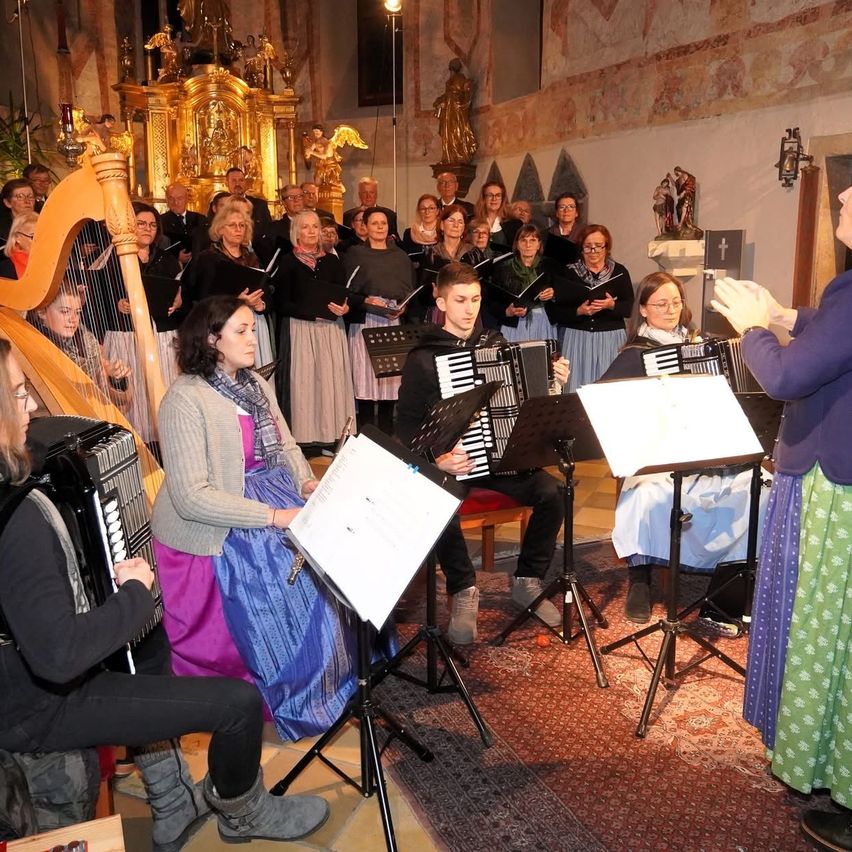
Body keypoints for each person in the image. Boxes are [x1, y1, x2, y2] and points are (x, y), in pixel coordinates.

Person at [0, 338, 329, 847]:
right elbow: (59, 657)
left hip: (20, 680)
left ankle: (173, 804)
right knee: (238, 703)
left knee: (151, 648)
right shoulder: (19, 519)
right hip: (34, 706)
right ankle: (244, 813)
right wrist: (133, 594)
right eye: (19, 394)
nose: (31, 406)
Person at [151, 295, 362, 742]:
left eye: (252, 329)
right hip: (218, 517)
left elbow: (285, 446)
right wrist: (275, 517)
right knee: (293, 578)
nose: (252, 339)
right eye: (241, 331)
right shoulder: (183, 400)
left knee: (335, 553)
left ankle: (338, 679)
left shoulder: (254, 384)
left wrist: (306, 483)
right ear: (212, 339)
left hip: (271, 492)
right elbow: (192, 498)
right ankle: (298, 691)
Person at [710, 186, 852, 852]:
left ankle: (836, 774)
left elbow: (790, 378)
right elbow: (834, 335)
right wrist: (785, 313)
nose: (842, 195)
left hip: (836, 481)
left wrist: (753, 330)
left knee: (827, 624)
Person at [396, 261, 570, 645]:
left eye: (475, 299)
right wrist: (438, 458)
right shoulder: (423, 358)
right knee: (438, 502)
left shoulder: (496, 343)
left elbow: (528, 402)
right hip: (453, 462)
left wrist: (554, 382)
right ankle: (463, 588)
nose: (469, 309)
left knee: (553, 492)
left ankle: (527, 579)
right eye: (460, 300)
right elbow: (405, 426)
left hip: (501, 458)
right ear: (441, 302)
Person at [602, 272, 768, 624]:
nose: (670, 309)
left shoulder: (701, 344)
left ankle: (733, 578)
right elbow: (604, 408)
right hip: (659, 454)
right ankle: (640, 578)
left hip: (709, 451)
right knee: (644, 493)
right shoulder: (635, 355)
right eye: (661, 303)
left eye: (676, 302)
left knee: (759, 489)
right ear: (643, 309)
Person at [273, 210, 356, 447]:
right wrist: (309, 311)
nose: (311, 231)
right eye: (305, 227)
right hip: (301, 329)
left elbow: (344, 295)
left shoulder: (332, 261)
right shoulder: (288, 262)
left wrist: (345, 308)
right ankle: (306, 439)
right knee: (305, 384)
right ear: (296, 232)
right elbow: (281, 303)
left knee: (331, 382)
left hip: (330, 329)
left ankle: (333, 436)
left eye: (315, 226)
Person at [343, 207, 414, 434]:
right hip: (365, 321)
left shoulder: (400, 256)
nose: (380, 227)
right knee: (364, 380)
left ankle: (386, 435)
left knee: (389, 381)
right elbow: (348, 291)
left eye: (383, 223)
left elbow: (408, 290)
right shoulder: (355, 253)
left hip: (392, 321)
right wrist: (367, 300)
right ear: (365, 226)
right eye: (374, 223)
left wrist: (402, 308)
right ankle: (365, 434)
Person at [545, 224, 634, 392]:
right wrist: (578, 311)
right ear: (581, 248)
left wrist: (612, 305)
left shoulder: (619, 272)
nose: (593, 251)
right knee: (577, 386)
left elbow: (630, 307)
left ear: (607, 247)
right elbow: (555, 312)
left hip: (610, 338)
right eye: (588, 247)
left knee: (609, 388)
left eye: (598, 246)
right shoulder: (568, 273)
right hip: (577, 337)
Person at [185, 200, 272, 366]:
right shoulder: (208, 258)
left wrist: (261, 304)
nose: (238, 229)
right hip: (222, 325)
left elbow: (266, 292)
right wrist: (237, 302)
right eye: (232, 225)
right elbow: (202, 297)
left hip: (254, 323)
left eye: (242, 225)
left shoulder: (252, 257)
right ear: (220, 229)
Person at [27, 282, 133, 412]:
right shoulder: (31, 346)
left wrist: (114, 378)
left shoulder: (86, 342)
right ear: (41, 312)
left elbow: (121, 404)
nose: (73, 319)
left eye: (77, 312)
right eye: (65, 311)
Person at [133, 202, 183, 388]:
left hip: (163, 331)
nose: (148, 229)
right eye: (141, 224)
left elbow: (179, 290)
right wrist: (118, 303)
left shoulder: (167, 258)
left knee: (165, 383)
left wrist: (179, 301)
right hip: (129, 334)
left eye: (152, 225)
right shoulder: (114, 257)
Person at [485, 224, 559, 344]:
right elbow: (491, 302)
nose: (528, 245)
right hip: (513, 325)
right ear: (517, 244)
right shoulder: (503, 268)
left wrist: (553, 294)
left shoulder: (550, 266)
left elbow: (564, 296)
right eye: (523, 240)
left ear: (539, 244)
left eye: (532, 240)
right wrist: (507, 311)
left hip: (543, 322)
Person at [433, 58, 478, 164]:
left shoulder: (461, 79)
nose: (451, 71)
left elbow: (466, 92)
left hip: (456, 111)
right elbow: (447, 95)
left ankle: (459, 155)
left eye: (451, 68)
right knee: (447, 133)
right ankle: (448, 157)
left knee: (457, 132)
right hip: (448, 111)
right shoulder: (450, 81)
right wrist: (439, 101)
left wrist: (467, 89)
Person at [160, 183, 205, 266]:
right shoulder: (160, 221)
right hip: (172, 267)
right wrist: (175, 256)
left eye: (179, 198)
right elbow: (158, 248)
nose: (175, 202)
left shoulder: (200, 219)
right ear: (166, 200)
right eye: (171, 198)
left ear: (187, 199)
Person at [473, 180, 521, 249]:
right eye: (490, 195)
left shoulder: (514, 224)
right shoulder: (473, 222)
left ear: (503, 199)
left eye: (498, 195)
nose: (494, 199)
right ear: (483, 199)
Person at [224, 166, 272, 234]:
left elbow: (269, 232)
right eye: (234, 180)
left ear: (245, 182)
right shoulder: (221, 205)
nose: (237, 184)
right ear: (226, 183)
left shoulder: (260, 205)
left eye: (241, 180)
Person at [1, 211, 38, 278]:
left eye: (41, 236)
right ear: (17, 237)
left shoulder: (51, 264)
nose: (38, 241)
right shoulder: (5, 268)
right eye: (33, 237)